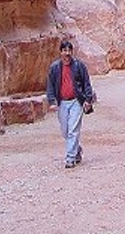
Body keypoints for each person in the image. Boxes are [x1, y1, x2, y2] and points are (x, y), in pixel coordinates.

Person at [46, 40, 96, 168]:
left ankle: (70, 158)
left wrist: (88, 100)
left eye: (69, 51)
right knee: (65, 131)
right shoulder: (55, 67)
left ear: (72, 52)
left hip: (76, 101)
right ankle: (77, 149)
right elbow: (50, 85)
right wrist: (52, 101)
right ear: (60, 52)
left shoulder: (79, 66)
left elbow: (86, 84)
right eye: (64, 51)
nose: (67, 54)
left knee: (73, 130)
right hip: (62, 102)